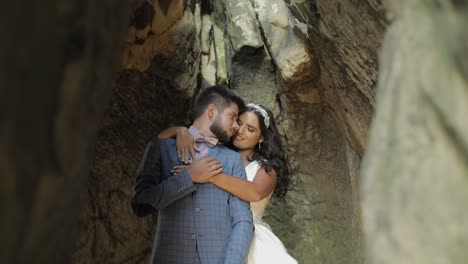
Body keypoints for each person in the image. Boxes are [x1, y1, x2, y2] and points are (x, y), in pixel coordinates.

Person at [160, 103, 298, 264]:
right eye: (239, 123)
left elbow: (255, 192)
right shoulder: (212, 151)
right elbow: (160, 141)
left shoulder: (266, 168)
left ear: (262, 137)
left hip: (248, 236)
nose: (240, 131)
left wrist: (209, 176)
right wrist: (181, 131)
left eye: (250, 129)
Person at [132, 85, 254, 264]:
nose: (237, 126)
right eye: (233, 117)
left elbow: (243, 220)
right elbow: (139, 203)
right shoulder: (160, 149)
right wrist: (187, 177)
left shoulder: (233, 160)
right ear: (211, 110)